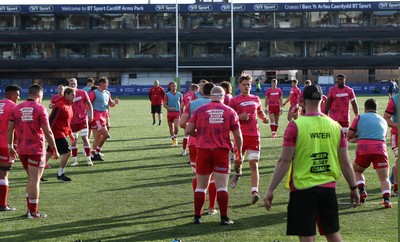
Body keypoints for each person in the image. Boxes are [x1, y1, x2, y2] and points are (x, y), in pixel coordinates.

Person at [263, 84, 360, 241]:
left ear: (302, 101)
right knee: (333, 233)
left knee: (307, 235)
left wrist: (270, 189)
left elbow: (284, 160)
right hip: (328, 188)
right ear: (322, 100)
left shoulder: (295, 126)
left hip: (303, 189)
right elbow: (345, 161)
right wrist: (353, 187)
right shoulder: (335, 126)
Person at [186, 86, 243, 225]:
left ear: (211, 96)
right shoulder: (230, 111)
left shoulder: (200, 110)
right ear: (223, 97)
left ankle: (197, 217)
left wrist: (200, 135)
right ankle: (224, 218)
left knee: (201, 186)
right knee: (222, 186)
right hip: (221, 151)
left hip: (203, 150)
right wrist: (239, 153)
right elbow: (238, 135)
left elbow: (188, 129)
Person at [8, 84, 60, 218]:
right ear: (38, 95)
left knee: (31, 179)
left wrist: (10, 146)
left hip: (21, 149)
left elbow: (10, 129)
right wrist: (54, 148)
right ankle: (33, 212)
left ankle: (29, 210)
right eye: (41, 96)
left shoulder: (17, 108)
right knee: (34, 180)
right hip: (35, 149)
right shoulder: (40, 108)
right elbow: (48, 131)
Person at [229, 74, 269, 204]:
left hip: (254, 136)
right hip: (239, 136)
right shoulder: (234, 101)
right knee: (238, 161)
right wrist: (239, 117)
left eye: (249, 84)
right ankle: (238, 173)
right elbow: (229, 117)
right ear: (239, 86)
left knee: (254, 164)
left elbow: (259, 111)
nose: (247, 87)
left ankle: (255, 192)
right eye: (244, 84)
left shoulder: (256, 98)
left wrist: (264, 118)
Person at [180, 83, 218, 215]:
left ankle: (198, 206)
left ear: (202, 91)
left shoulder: (193, 103)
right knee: (213, 177)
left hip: (195, 143)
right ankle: (211, 208)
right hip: (213, 143)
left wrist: (197, 133)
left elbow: (182, 123)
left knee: (197, 175)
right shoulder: (218, 104)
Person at [347, 99, 392, 208]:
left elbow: (349, 135)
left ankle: (362, 190)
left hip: (364, 148)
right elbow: (383, 137)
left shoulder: (359, 117)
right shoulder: (383, 120)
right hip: (380, 148)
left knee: (357, 170)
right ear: (376, 108)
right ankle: (386, 200)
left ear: (365, 108)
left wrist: (357, 138)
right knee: (384, 178)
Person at [45, 87, 75, 182]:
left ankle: (36, 174)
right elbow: (51, 120)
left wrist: (70, 134)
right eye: (72, 95)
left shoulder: (69, 105)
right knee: (68, 152)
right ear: (66, 95)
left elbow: (67, 122)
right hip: (57, 133)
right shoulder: (59, 104)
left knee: (49, 154)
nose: (74, 97)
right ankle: (60, 174)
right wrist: (47, 134)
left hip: (62, 133)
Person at [0, 84, 21, 211]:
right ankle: (2, 204)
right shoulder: (14, 107)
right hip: (5, 144)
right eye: (18, 95)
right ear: (13, 95)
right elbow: (16, 129)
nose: (19, 98)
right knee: (3, 174)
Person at [89, 77, 119, 161]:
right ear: (101, 84)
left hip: (104, 117)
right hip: (96, 117)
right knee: (106, 134)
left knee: (98, 137)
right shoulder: (94, 93)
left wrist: (115, 103)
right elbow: (87, 103)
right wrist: (89, 114)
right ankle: (97, 152)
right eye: (106, 83)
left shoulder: (107, 93)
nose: (108, 85)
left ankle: (94, 153)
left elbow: (110, 104)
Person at [68, 78, 94, 167]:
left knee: (85, 138)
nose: (73, 85)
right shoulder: (67, 95)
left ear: (77, 84)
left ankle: (88, 158)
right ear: (68, 85)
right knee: (74, 140)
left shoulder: (82, 92)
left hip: (83, 119)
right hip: (72, 121)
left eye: (74, 83)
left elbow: (89, 103)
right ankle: (75, 160)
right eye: (71, 83)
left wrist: (91, 114)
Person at [384, 93, 398, 197]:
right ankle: (396, 189)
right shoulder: (394, 100)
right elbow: (386, 119)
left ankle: (394, 171)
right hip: (397, 136)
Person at [180, 83, 199, 156]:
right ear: (195, 90)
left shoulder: (186, 96)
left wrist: (182, 115)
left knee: (186, 134)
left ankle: (184, 150)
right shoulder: (196, 97)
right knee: (197, 134)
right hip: (196, 116)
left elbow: (181, 107)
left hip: (188, 116)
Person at [163, 81, 183, 146]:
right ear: (170, 87)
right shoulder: (167, 95)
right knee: (171, 127)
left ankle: (175, 137)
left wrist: (182, 111)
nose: (174, 87)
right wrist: (169, 108)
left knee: (176, 127)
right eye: (173, 86)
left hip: (177, 112)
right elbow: (164, 104)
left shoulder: (179, 94)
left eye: (175, 86)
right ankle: (173, 140)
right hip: (169, 113)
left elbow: (182, 103)